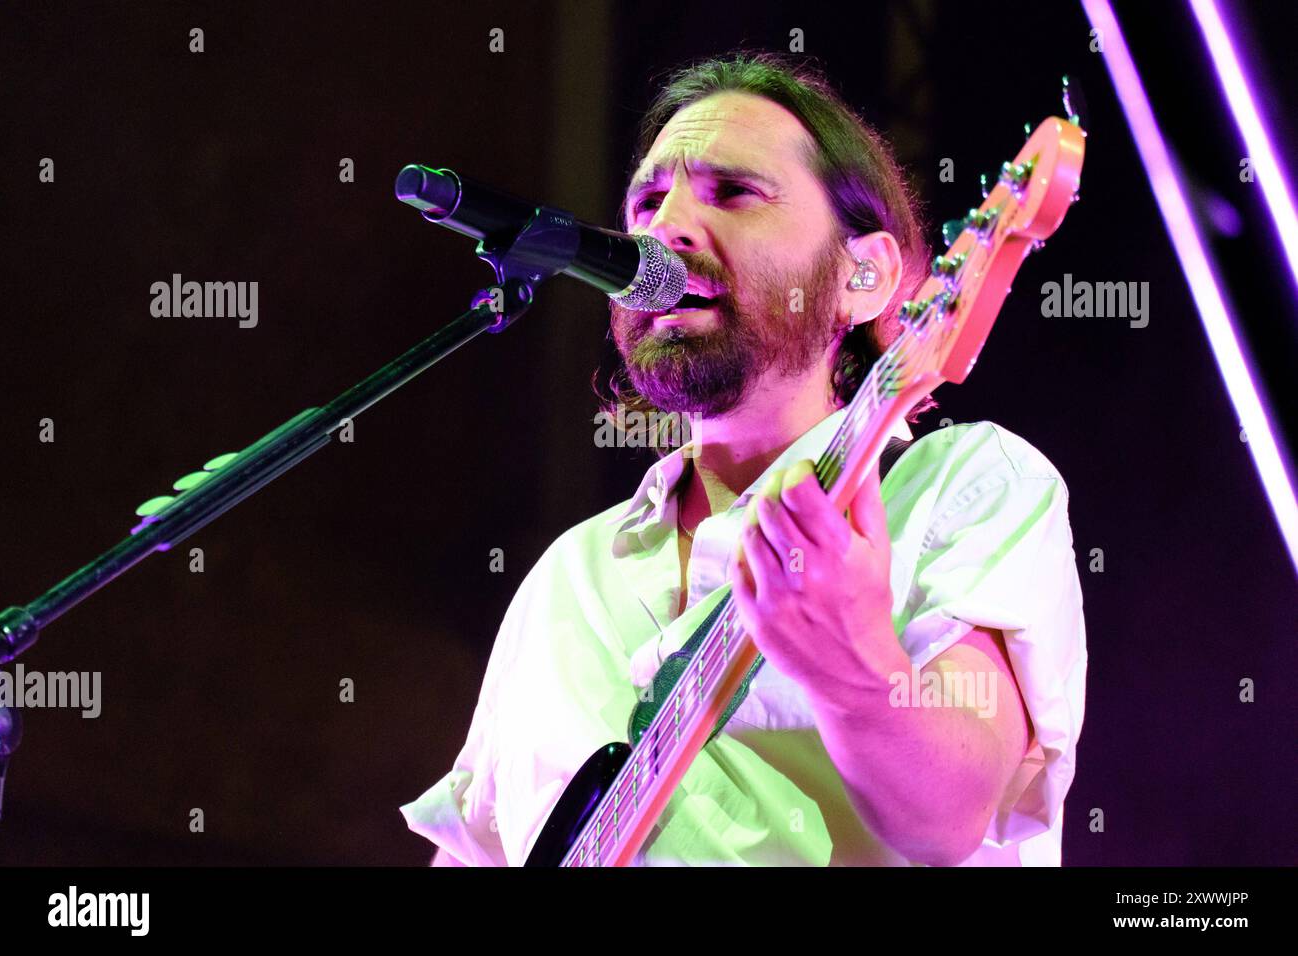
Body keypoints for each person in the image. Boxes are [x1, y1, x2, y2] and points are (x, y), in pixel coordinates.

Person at [400, 51, 1087, 866]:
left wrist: (855, 672)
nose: (668, 228)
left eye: (734, 192)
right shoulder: (565, 576)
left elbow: (951, 817)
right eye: (649, 201)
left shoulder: (963, 486)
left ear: (863, 277)